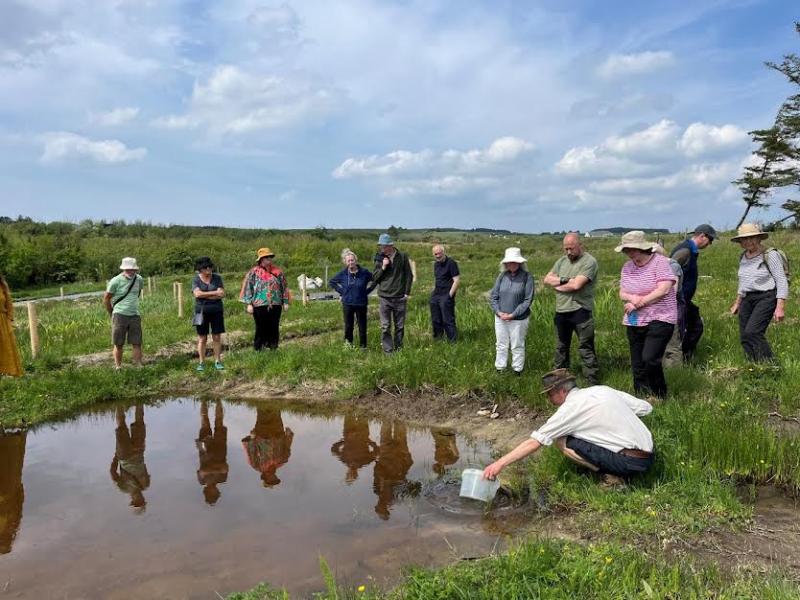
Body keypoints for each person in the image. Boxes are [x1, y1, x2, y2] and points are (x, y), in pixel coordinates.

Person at [483, 369, 655, 487]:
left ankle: (613, 477)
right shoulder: (602, 389)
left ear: (561, 391)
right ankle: (617, 466)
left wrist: (499, 464)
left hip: (629, 463)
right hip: (649, 454)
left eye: (550, 394)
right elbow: (645, 408)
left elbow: (535, 442)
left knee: (562, 440)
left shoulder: (570, 409)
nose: (549, 399)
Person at [616, 231, 677, 398]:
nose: (628, 253)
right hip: (635, 320)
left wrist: (639, 302)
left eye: (630, 249)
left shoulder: (660, 263)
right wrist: (631, 299)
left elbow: (663, 289)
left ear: (640, 248)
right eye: (625, 250)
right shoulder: (627, 267)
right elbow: (622, 292)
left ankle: (659, 395)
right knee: (637, 363)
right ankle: (641, 396)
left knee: (650, 358)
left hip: (661, 317)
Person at [542, 233, 599, 384]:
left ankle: (591, 382)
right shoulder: (561, 261)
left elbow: (577, 285)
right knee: (561, 348)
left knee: (585, 347)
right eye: (566, 249)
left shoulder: (589, 261)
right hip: (561, 311)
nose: (568, 252)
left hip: (580, 310)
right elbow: (547, 279)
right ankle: (560, 381)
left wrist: (559, 286)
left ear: (580, 245)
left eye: (571, 248)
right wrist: (563, 280)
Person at [729, 223, 789, 362]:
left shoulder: (770, 255)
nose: (748, 241)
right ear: (740, 242)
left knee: (753, 332)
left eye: (752, 238)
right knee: (744, 336)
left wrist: (780, 307)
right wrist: (737, 302)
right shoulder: (743, 257)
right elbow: (743, 282)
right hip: (747, 299)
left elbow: (781, 280)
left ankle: (769, 365)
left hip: (766, 297)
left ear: (759, 238)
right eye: (744, 239)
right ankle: (753, 366)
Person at [664, 224, 717, 365]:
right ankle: (678, 360)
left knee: (695, 326)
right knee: (680, 331)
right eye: (710, 240)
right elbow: (669, 271)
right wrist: (673, 297)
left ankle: (686, 356)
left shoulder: (690, 250)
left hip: (684, 299)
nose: (710, 244)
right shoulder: (685, 251)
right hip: (677, 299)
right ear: (702, 236)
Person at [489, 247, 534, 375]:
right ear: (505, 263)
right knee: (501, 344)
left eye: (514, 262)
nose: (511, 264)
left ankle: (517, 370)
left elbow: (527, 300)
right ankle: (500, 369)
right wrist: (498, 312)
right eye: (509, 262)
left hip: (518, 319)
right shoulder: (502, 276)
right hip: (500, 318)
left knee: (517, 345)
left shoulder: (527, 277)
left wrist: (513, 314)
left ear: (520, 263)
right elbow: (493, 297)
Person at [239, 247, 289, 351]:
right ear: (261, 259)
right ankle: (259, 348)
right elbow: (248, 287)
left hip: (276, 303)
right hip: (259, 304)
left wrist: (285, 301)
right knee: (261, 327)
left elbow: (284, 287)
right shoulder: (253, 272)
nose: (269, 259)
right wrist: (248, 304)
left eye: (270, 257)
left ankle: (273, 347)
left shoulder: (278, 271)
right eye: (266, 257)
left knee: (274, 326)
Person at [372, 233, 414, 353]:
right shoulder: (379, 258)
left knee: (399, 327)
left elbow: (409, 275)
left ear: (391, 245)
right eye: (381, 246)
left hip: (400, 297)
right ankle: (388, 351)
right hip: (384, 297)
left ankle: (399, 349)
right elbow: (375, 278)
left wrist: (407, 293)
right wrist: (383, 267)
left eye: (384, 246)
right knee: (385, 327)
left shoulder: (402, 256)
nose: (382, 249)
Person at [103, 257, 144, 369]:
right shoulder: (115, 281)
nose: (130, 271)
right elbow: (106, 298)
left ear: (136, 269)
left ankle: (138, 365)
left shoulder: (139, 279)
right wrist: (112, 313)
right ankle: (118, 367)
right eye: (128, 269)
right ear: (123, 269)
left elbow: (137, 293)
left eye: (132, 269)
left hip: (135, 314)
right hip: (119, 315)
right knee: (118, 343)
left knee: (137, 342)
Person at [328, 249, 374, 348]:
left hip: (361, 303)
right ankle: (348, 345)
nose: (350, 262)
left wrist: (367, 291)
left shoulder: (364, 272)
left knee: (362, 326)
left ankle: (363, 347)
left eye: (352, 260)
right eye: (348, 261)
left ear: (356, 260)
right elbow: (332, 282)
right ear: (345, 262)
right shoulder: (343, 274)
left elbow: (375, 279)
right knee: (349, 326)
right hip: (348, 303)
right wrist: (342, 292)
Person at [110, 404, 150, 511]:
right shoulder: (146, 484)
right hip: (138, 451)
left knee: (121, 426)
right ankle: (139, 401)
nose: (138, 499)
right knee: (140, 422)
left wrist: (116, 456)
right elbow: (144, 466)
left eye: (136, 502)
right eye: (140, 501)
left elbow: (113, 473)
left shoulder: (123, 488)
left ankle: (118, 402)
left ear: (132, 501)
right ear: (143, 499)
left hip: (124, 455)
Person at [242, 407, 294, 487]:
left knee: (262, 412)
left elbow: (251, 451)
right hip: (278, 431)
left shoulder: (256, 465)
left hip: (262, 433)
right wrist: (289, 435)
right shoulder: (282, 461)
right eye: (275, 479)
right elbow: (287, 447)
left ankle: (261, 398)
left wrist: (252, 438)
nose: (274, 477)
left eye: (271, 480)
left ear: (265, 478)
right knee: (276, 411)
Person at [192, 256, 226, 371]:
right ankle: (201, 362)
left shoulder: (217, 278)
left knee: (217, 336)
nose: (208, 269)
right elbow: (197, 294)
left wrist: (205, 294)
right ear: (200, 269)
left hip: (216, 310)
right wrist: (214, 293)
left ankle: (217, 361)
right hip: (200, 312)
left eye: (210, 267)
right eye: (205, 267)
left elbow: (221, 294)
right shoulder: (196, 279)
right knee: (202, 338)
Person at [196, 400, 229, 505]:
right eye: (215, 493)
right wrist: (214, 468)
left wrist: (214, 468)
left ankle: (203, 400)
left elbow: (202, 471)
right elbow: (225, 467)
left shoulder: (202, 482)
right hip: (220, 448)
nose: (215, 491)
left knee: (204, 422)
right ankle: (218, 400)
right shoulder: (222, 479)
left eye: (212, 494)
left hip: (204, 449)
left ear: (207, 492)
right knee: (219, 422)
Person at [330, 414, 379, 484]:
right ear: (357, 474)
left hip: (348, 431)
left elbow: (333, 449)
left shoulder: (344, 460)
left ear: (347, 472)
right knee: (363, 412)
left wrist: (344, 441)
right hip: (362, 432)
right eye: (352, 474)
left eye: (348, 474)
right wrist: (367, 441)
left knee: (348, 412)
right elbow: (377, 451)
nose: (350, 472)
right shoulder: (364, 461)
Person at [0, 430, 26, 554]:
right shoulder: (13, 523)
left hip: (10, 484)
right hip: (11, 484)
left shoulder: (13, 523)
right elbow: (20, 499)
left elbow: (20, 499)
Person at [430, 244, 460, 342]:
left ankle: (452, 341)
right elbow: (438, 279)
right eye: (435, 254)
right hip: (437, 293)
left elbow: (456, 280)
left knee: (447, 319)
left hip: (446, 293)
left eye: (439, 253)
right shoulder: (436, 264)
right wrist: (434, 292)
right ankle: (438, 339)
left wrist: (450, 295)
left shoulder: (451, 263)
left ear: (443, 252)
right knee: (435, 318)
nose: (437, 255)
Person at [0, 273, 23, 377]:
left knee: (6, 347)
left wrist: (9, 319)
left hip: (2, 321)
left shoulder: (2, 285)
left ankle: (8, 372)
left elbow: (8, 303)